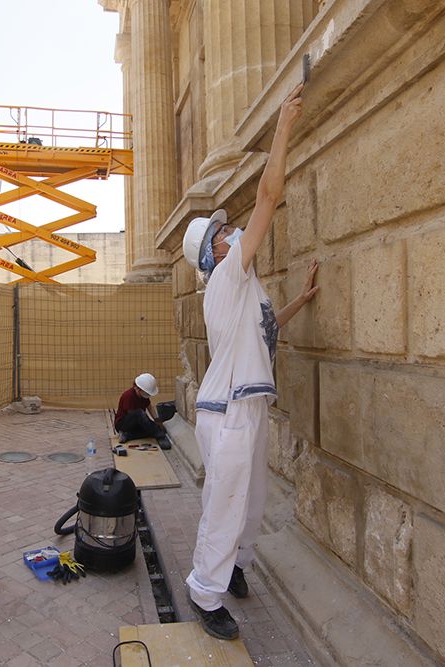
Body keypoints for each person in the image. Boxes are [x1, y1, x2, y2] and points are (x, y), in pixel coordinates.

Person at [181, 83, 319, 641]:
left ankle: (237, 567)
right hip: (230, 410)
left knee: (251, 499)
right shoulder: (227, 276)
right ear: (215, 250)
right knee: (227, 502)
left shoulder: (245, 288)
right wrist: (283, 127)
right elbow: (267, 198)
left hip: (248, 405)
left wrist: (301, 302)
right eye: (225, 232)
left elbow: (264, 331)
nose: (235, 231)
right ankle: (205, 591)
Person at [114, 373, 168, 447]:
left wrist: (157, 420)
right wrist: (154, 428)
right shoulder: (128, 396)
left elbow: (149, 407)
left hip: (135, 423)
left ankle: (127, 435)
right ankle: (160, 435)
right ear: (137, 388)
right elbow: (135, 416)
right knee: (140, 414)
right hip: (123, 424)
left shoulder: (142, 395)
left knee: (149, 429)